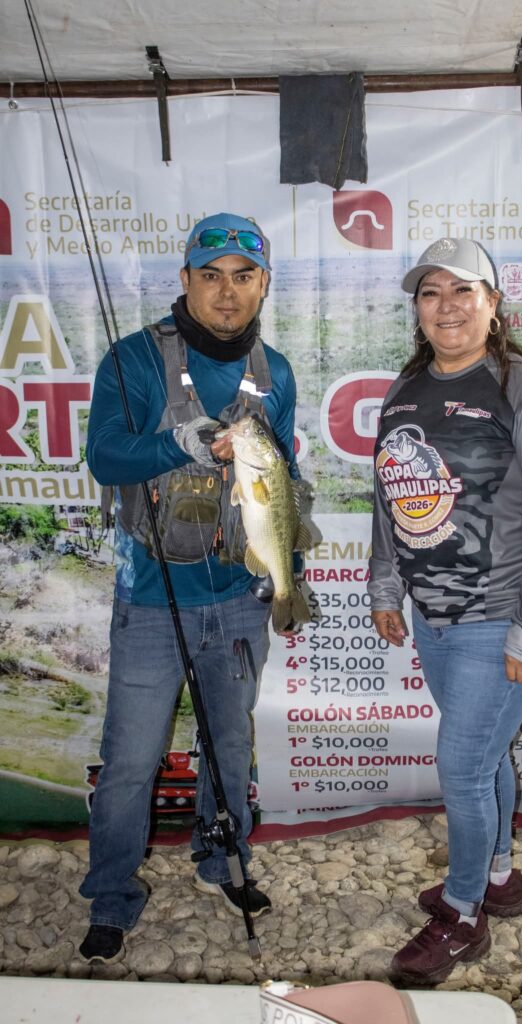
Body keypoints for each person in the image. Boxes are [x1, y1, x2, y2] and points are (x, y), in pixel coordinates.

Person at [79, 213, 301, 964]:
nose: (226, 292)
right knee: (130, 762)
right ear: (185, 281)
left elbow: (285, 478)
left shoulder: (276, 372)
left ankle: (223, 862)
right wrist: (177, 443)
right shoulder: (134, 358)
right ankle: (112, 896)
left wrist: (286, 570)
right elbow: (106, 456)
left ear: (263, 284)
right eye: (210, 276)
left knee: (230, 748)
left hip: (239, 601)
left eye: (243, 277)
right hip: (151, 601)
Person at [368, 238, 522, 985]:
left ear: (493, 304)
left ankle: (463, 916)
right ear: (418, 310)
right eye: (431, 293)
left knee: (462, 770)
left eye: (463, 290)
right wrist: (385, 587)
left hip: (500, 620)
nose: (447, 306)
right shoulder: (406, 390)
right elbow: (389, 494)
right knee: (484, 758)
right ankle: (498, 877)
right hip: (434, 619)